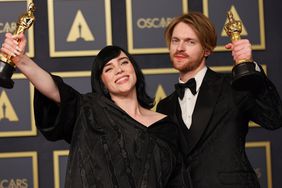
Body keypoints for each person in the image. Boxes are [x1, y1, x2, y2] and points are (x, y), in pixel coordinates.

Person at [1, 33, 190, 187]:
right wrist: (21, 59)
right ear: (103, 83)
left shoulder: (166, 126)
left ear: (134, 70)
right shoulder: (90, 111)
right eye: (109, 68)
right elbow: (54, 90)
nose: (119, 70)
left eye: (124, 62)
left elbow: (178, 180)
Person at [156, 12, 282, 187]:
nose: (180, 48)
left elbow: (274, 118)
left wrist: (250, 68)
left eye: (190, 42)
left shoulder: (233, 86)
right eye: (176, 40)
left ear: (207, 49)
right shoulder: (164, 106)